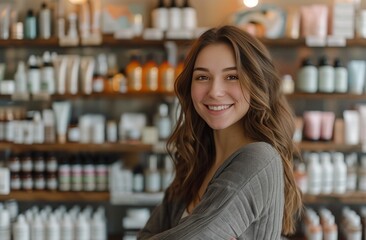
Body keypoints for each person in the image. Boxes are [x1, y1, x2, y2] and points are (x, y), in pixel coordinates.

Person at [138, 25, 302, 240]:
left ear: (256, 83)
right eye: (202, 77)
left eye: (232, 77)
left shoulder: (259, 159)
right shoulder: (195, 161)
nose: (215, 91)